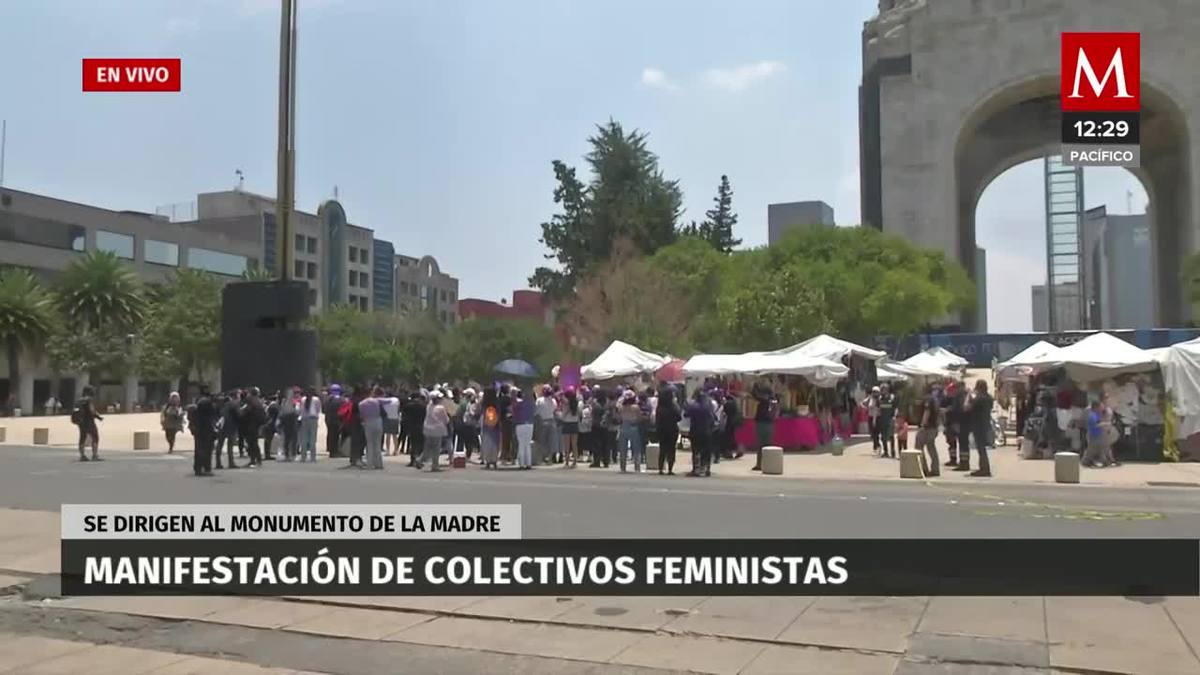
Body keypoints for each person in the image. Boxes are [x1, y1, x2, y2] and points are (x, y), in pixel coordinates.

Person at [959, 379, 994, 477]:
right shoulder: (989, 398)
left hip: (978, 425)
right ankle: (984, 467)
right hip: (985, 424)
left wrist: (968, 396)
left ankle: (984, 469)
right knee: (982, 447)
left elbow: (966, 407)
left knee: (981, 447)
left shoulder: (979, 398)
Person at [685, 389, 715, 477]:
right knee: (706, 451)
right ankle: (706, 469)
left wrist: (688, 404)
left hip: (695, 431)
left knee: (696, 451)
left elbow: (686, 414)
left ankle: (696, 469)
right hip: (707, 431)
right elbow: (713, 419)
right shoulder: (709, 407)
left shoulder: (694, 406)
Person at [420, 390, 450, 471]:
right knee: (436, 448)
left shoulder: (428, 406)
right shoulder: (441, 408)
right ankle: (435, 465)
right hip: (437, 430)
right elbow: (446, 420)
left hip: (427, 429)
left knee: (427, 447)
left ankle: (420, 460)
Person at [1083, 399, 1118, 468]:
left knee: (1103, 448)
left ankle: (1106, 461)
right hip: (1094, 436)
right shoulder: (1092, 415)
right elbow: (1096, 424)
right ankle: (1086, 461)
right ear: (1096, 407)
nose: (1101, 408)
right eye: (1100, 407)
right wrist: (1106, 424)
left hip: (1098, 435)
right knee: (1091, 450)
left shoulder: (1096, 415)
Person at [655, 385, 682, 475]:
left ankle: (661, 469)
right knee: (671, 449)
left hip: (661, 429)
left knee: (662, 449)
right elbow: (679, 417)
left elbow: (657, 419)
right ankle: (670, 469)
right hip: (672, 429)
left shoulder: (660, 407)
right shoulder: (673, 406)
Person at [616, 390, 645, 473]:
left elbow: (619, 418)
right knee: (636, 448)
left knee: (623, 449)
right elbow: (639, 418)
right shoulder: (636, 407)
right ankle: (637, 467)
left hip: (623, 427)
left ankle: (623, 467)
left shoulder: (621, 407)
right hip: (633, 427)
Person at [72, 385, 103, 462]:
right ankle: (94, 455)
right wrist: (98, 417)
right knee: (95, 437)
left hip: (80, 421)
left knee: (82, 437)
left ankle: (82, 455)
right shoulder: (89, 400)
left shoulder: (79, 400)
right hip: (89, 421)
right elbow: (92, 410)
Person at [192, 387, 218, 476]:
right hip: (207, 430)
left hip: (198, 429)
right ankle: (206, 468)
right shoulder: (208, 403)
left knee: (199, 449)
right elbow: (212, 417)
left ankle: (198, 468)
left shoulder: (197, 403)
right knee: (207, 450)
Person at [751, 384, 777, 471]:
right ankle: (767, 463)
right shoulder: (774, 401)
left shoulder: (765, 401)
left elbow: (756, 396)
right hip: (770, 424)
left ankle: (759, 464)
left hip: (762, 423)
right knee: (767, 445)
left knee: (761, 445)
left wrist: (754, 386)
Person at [915, 392, 941, 477]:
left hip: (927, 427)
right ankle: (935, 469)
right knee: (931, 447)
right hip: (933, 427)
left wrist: (922, 424)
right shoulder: (935, 399)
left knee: (918, 447)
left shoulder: (927, 399)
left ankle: (923, 468)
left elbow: (927, 411)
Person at [360, 385, 386, 470]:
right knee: (377, 444)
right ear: (370, 393)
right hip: (378, 421)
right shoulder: (377, 401)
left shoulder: (362, 403)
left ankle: (369, 464)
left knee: (369, 443)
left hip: (368, 422)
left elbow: (362, 416)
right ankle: (379, 464)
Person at [240, 387, 267, 467]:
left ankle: (254, 460)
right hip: (256, 425)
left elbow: (247, 411)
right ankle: (257, 460)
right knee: (254, 443)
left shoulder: (251, 401)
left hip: (251, 425)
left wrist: (241, 413)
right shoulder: (258, 402)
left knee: (252, 443)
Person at [479, 388, 501, 469]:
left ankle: (488, 461)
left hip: (486, 426)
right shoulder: (496, 403)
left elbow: (481, 413)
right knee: (495, 444)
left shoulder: (484, 404)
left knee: (487, 443)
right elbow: (499, 414)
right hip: (495, 426)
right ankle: (494, 461)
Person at [402, 392, 426, 467]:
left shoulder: (408, 406)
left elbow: (405, 417)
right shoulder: (423, 406)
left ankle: (412, 460)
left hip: (412, 426)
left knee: (413, 444)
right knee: (420, 444)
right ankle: (419, 460)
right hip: (421, 425)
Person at [559, 388, 581, 468]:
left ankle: (567, 462)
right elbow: (579, 413)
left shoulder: (565, 403)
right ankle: (575, 461)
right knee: (574, 444)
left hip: (567, 423)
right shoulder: (576, 403)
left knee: (567, 444)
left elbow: (560, 395)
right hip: (574, 423)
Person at [299, 386, 321, 463]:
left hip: (304, 419)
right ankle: (312, 457)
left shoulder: (303, 399)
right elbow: (318, 410)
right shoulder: (316, 399)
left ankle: (303, 457)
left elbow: (301, 410)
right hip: (313, 419)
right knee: (312, 439)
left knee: (304, 439)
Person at [323, 384, 345, 457]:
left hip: (329, 419)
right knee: (336, 436)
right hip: (338, 420)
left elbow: (323, 410)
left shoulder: (327, 399)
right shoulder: (341, 400)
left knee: (330, 434)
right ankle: (336, 451)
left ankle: (330, 449)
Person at [877, 384, 897, 459]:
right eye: (882, 389)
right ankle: (885, 451)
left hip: (890, 419)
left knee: (891, 436)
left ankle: (893, 452)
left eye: (885, 389)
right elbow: (878, 409)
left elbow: (895, 408)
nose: (883, 391)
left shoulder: (892, 397)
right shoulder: (880, 399)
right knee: (883, 436)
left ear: (888, 389)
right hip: (882, 419)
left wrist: (894, 417)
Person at [380, 388, 401, 456]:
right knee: (395, 435)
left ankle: (388, 451)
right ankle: (396, 450)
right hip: (395, 418)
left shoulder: (384, 401)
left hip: (388, 418)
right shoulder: (396, 400)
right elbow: (398, 409)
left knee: (388, 435)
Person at [862, 386, 882, 453]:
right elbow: (863, 403)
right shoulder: (870, 398)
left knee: (876, 432)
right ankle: (876, 445)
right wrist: (866, 408)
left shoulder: (880, 399)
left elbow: (881, 407)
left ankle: (876, 446)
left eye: (876, 392)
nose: (875, 393)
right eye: (873, 392)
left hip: (878, 417)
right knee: (872, 432)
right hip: (870, 416)